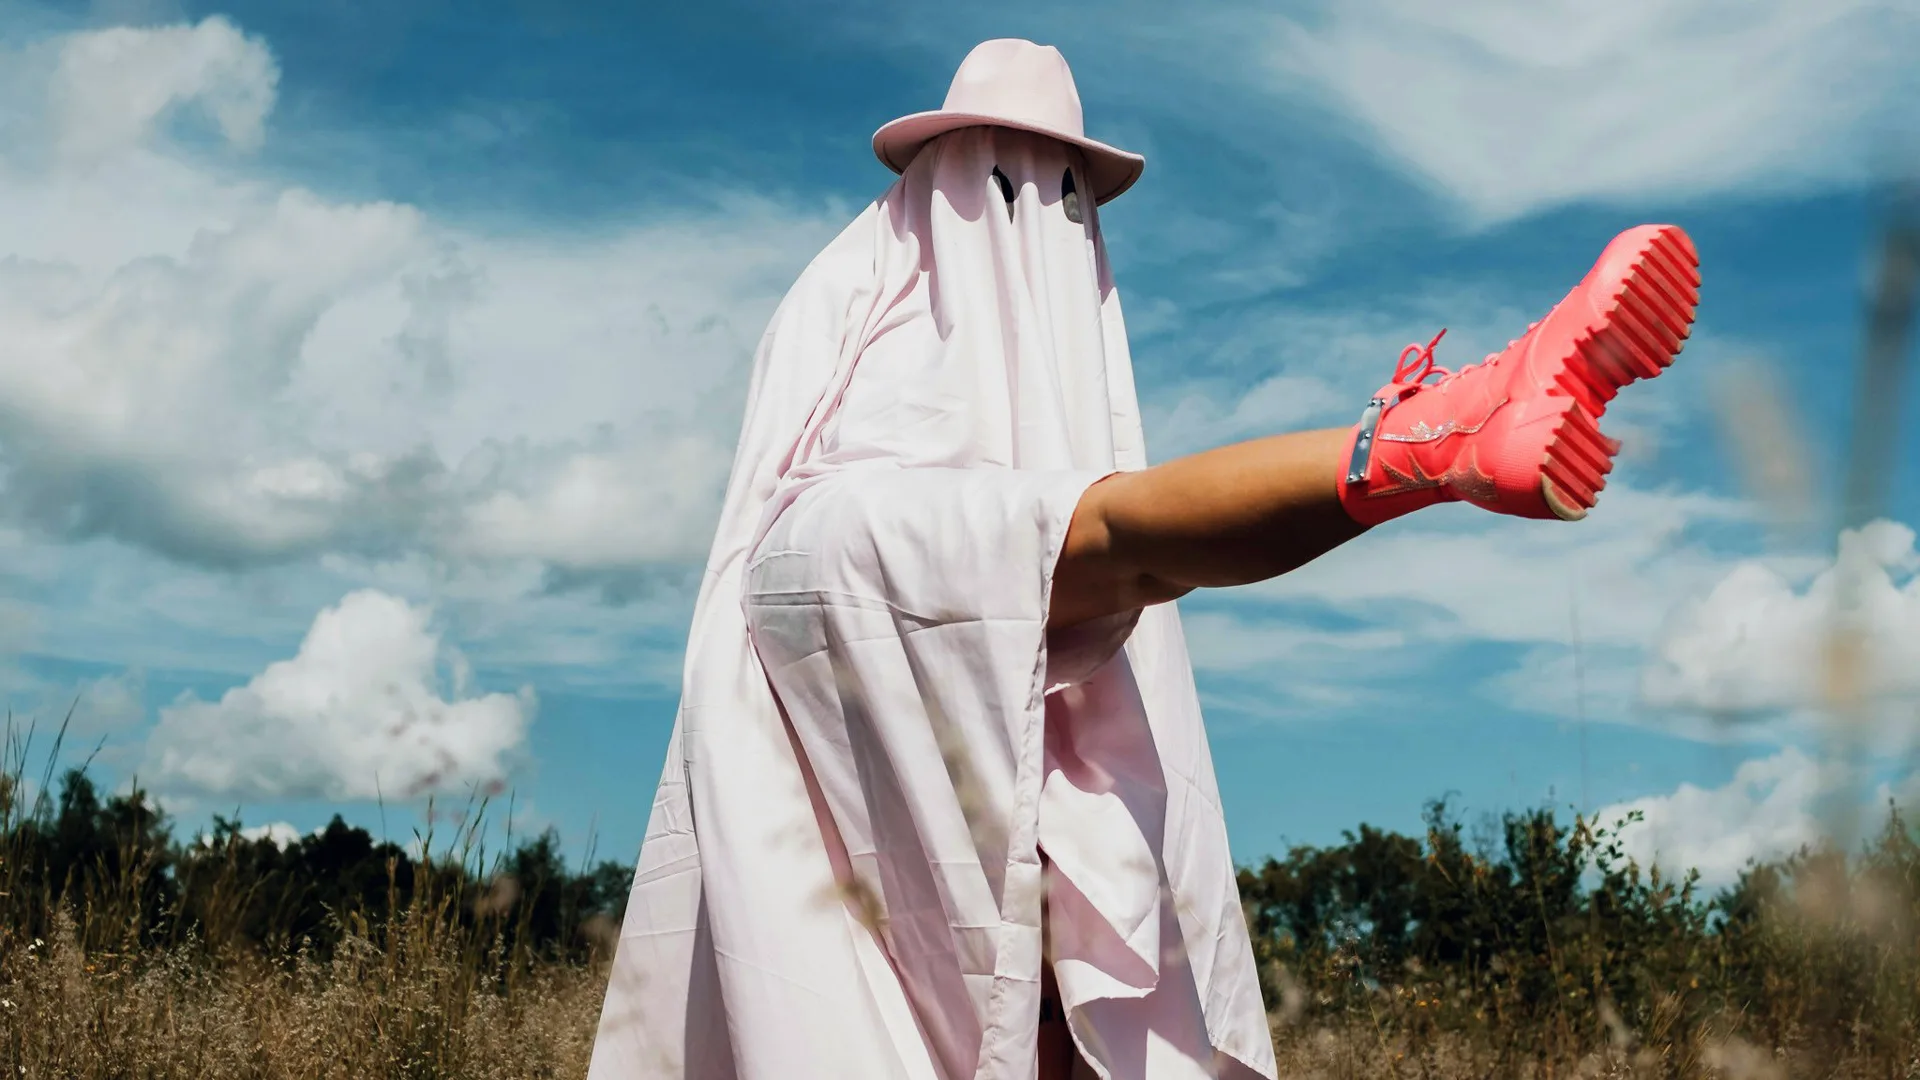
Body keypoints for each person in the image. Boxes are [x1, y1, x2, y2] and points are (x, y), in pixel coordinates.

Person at [587, 38, 1699, 1080]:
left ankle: (1424, 439)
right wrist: (1405, 458)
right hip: (852, 566)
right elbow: (1128, 540)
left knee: (1099, 548)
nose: (1047, 237)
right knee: (1106, 537)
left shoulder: (824, 504)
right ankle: (1425, 436)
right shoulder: (835, 535)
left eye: (1071, 201)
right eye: (1012, 191)